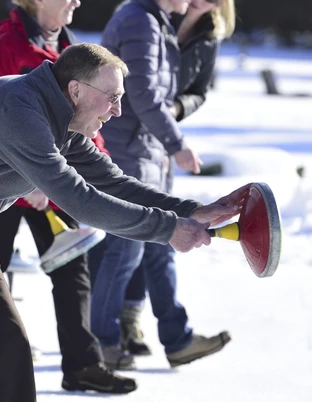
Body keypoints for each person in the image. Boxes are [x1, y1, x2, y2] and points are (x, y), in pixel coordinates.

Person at [0, 42, 250, 402]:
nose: (118, 110)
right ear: (76, 90)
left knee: (4, 344)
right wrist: (167, 230)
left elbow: (111, 181)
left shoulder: (60, 118)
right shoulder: (21, 112)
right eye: (112, 98)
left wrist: (190, 210)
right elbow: (79, 198)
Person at [0, 0, 137, 394]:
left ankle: (83, 366)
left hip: (55, 184)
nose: (76, 1)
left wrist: (94, 167)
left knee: (73, 276)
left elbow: (82, 126)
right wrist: (31, 180)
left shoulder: (72, 50)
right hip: (5, 187)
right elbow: (1, 117)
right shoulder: (9, 43)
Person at [89, 0, 230, 371]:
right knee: (125, 251)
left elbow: (175, 94)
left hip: (148, 151)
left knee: (160, 248)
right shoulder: (140, 20)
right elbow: (145, 94)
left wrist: (170, 137)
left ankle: (176, 338)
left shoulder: (159, 21)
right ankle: (100, 343)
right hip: (126, 150)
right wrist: (177, 144)